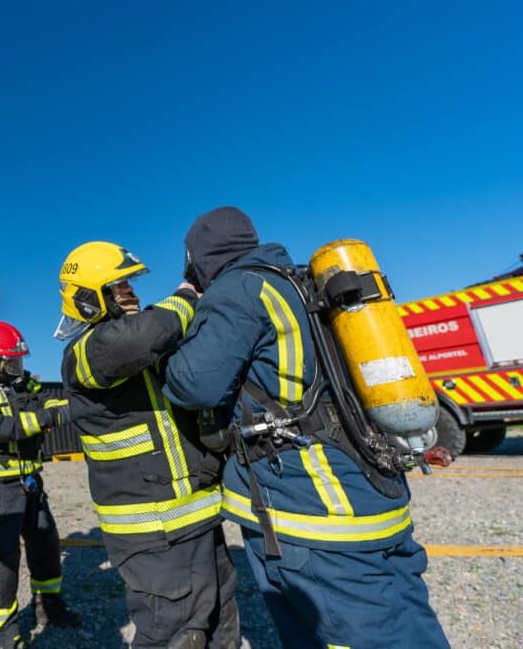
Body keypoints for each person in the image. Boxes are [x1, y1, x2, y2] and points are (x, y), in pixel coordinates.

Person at [162, 206, 449, 648]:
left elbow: (194, 385)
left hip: (314, 514)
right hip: (374, 494)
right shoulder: (304, 283)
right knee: (412, 626)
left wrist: (175, 336)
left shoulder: (238, 289)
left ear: (199, 260)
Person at [56, 241, 239, 649]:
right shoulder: (87, 353)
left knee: (220, 618)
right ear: (89, 298)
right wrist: (187, 295)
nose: (131, 292)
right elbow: (149, 334)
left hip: (195, 517)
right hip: (153, 532)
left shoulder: (134, 354)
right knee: (173, 633)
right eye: (120, 286)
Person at [0, 321, 81, 649]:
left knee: (46, 544)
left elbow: (46, 402)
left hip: (31, 482)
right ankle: (2, 630)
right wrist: (44, 419)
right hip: (0, 487)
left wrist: (70, 408)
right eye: (10, 361)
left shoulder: (23, 382)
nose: (17, 367)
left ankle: (50, 607)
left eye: (19, 360)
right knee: (3, 558)